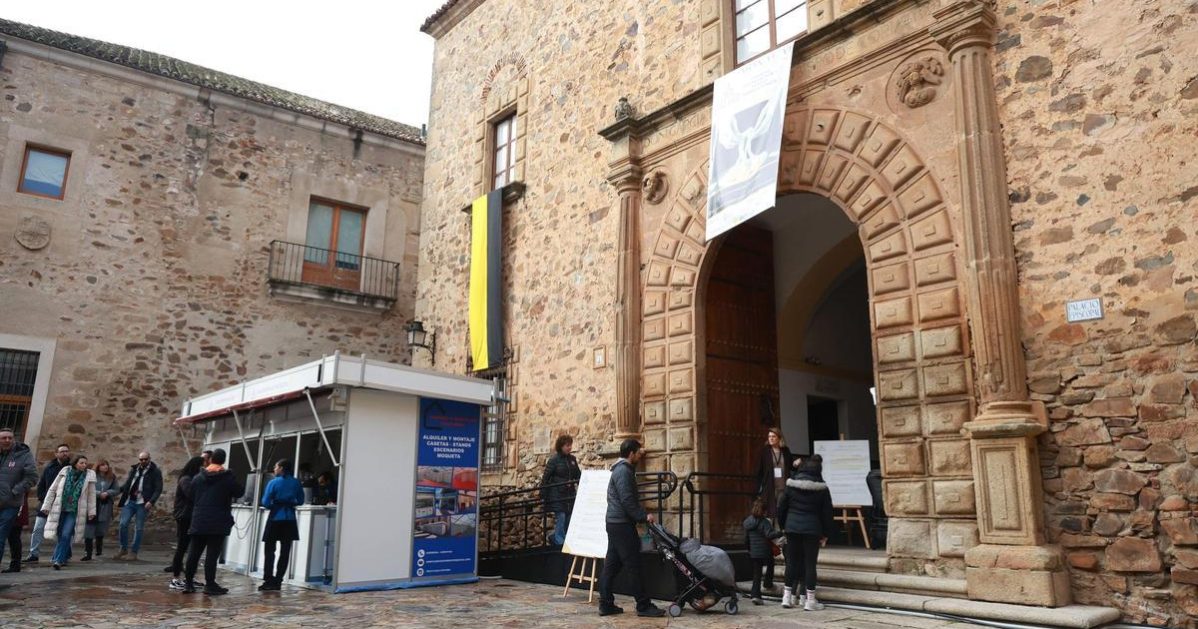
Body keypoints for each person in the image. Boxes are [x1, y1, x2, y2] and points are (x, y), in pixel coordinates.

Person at [597, 439, 665, 618]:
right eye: (638, 452)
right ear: (631, 453)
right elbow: (627, 500)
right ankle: (643, 605)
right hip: (621, 525)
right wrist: (643, 516)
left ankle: (606, 604)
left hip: (615, 523)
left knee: (611, 566)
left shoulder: (621, 470)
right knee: (634, 565)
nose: (640, 454)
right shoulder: (623, 472)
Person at [776, 454, 835, 611]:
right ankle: (810, 600)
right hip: (812, 529)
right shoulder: (822, 488)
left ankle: (787, 597)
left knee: (792, 562)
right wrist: (826, 533)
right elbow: (827, 513)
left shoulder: (791, 485)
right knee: (810, 564)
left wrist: (783, 526)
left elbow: (781, 507)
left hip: (792, 528)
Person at [182, 448, 243, 595]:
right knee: (212, 554)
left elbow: (190, 495)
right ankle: (210, 584)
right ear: (223, 460)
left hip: (199, 519)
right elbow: (239, 492)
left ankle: (188, 583)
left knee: (194, 553)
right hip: (218, 520)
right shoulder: (227, 478)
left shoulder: (198, 478)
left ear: (210, 460)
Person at [42, 455, 97, 569]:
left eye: (85, 463)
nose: (84, 465)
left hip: (74, 510)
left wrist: (92, 511)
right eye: (81, 463)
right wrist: (46, 505)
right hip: (60, 508)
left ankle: (58, 560)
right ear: (75, 463)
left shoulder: (89, 476)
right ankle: (64, 555)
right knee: (61, 534)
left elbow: (91, 496)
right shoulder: (64, 472)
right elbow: (53, 489)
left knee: (66, 534)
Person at [259, 458, 304, 591]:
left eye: (276, 467)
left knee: (269, 550)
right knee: (285, 551)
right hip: (289, 519)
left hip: (275, 518)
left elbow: (266, 502)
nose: (274, 469)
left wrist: (274, 504)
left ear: (281, 468)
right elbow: (301, 500)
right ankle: (278, 580)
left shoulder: (273, 483)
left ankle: (268, 579)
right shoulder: (296, 483)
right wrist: (290, 502)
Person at [24, 442, 70, 563]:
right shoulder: (49, 467)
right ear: (56, 453)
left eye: (66, 451)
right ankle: (33, 553)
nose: (65, 453)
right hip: (46, 502)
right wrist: (43, 498)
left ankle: (61, 555)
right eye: (62, 451)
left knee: (63, 531)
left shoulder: (71, 468)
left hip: (63, 504)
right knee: (38, 528)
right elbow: (42, 485)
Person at [0, 427, 38, 573]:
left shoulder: (23, 454)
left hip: (11, 503)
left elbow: (32, 477)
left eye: (10, 437)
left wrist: (15, 491)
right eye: (4, 438)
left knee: (2, 534)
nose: (7, 440)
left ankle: (15, 563)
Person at [115, 451, 163, 561]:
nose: (143, 461)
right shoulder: (134, 469)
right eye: (141, 459)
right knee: (123, 524)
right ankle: (123, 548)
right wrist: (115, 492)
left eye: (145, 459)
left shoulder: (155, 471)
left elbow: (158, 488)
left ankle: (134, 552)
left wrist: (151, 501)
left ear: (149, 459)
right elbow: (128, 484)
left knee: (139, 527)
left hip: (143, 502)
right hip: (130, 501)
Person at [167, 456, 203, 591]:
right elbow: (192, 495)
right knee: (182, 547)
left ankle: (190, 576)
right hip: (184, 516)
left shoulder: (191, 479)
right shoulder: (186, 480)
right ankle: (175, 578)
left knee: (191, 548)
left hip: (191, 516)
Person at [540, 434, 581, 546]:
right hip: (557, 494)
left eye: (570, 445)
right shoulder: (554, 460)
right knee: (561, 516)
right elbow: (546, 478)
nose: (569, 447)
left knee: (569, 518)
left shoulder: (572, 459)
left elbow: (578, 475)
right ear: (561, 446)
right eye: (567, 445)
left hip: (569, 494)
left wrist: (584, 487)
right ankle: (560, 543)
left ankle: (554, 537)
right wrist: (542, 495)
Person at [743, 497, 784, 605]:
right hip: (765, 551)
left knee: (756, 574)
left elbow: (746, 539)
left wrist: (749, 549)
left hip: (754, 552)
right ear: (764, 510)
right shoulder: (764, 522)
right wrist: (780, 533)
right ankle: (767, 583)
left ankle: (755, 595)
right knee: (771, 564)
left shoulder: (748, 522)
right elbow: (769, 535)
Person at [83, 459, 121, 560]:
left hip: (105, 505)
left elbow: (117, 489)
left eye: (106, 465)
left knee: (101, 529)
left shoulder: (112, 477)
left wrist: (108, 493)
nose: (105, 467)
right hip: (92, 504)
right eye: (103, 465)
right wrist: (99, 493)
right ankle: (88, 553)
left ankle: (99, 551)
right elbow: (86, 488)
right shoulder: (91, 476)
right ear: (98, 466)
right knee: (89, 529)